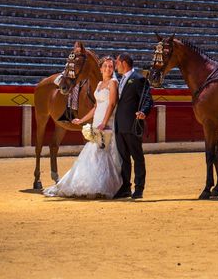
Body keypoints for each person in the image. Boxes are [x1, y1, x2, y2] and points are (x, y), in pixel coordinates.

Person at [44, 56, 122, 199]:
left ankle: (103, 186)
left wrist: (104, 122)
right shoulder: (99, 84)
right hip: (97, 121)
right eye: (105, 66)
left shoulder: (113, 83)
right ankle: (95, 185)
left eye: (110, 66)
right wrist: (82, 119)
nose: (108, 69)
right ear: (100, 68)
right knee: (95, 154)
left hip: (106, 122)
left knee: (103, 153)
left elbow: (111, 104)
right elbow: (95, 107)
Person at [113, 53, 153, 200]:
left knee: (137, 157)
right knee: (123, 158)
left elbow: (148, 99)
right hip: (120, 125)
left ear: (123, 63)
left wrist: (143, 112)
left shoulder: (139, 79)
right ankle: (125, 188)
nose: (115, 66)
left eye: (117, 63)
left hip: (132, 124)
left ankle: (139, 188)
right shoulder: (120, 80)